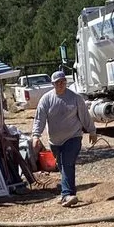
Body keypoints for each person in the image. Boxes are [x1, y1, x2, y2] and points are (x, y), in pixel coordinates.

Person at [30, 71, 96, 207]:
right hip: (55, 141)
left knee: (67, 163)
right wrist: (36, 136)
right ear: (53, 84)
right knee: (62, 166)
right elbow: (39, 119)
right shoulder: (46, 100)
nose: (61, 84)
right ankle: (70, 194)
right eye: (58, 82)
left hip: (73, 137)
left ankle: (66, 194)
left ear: (66, 82)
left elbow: (85, 116)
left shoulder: (75, 98)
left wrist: (92, 131)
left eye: (63, 81)